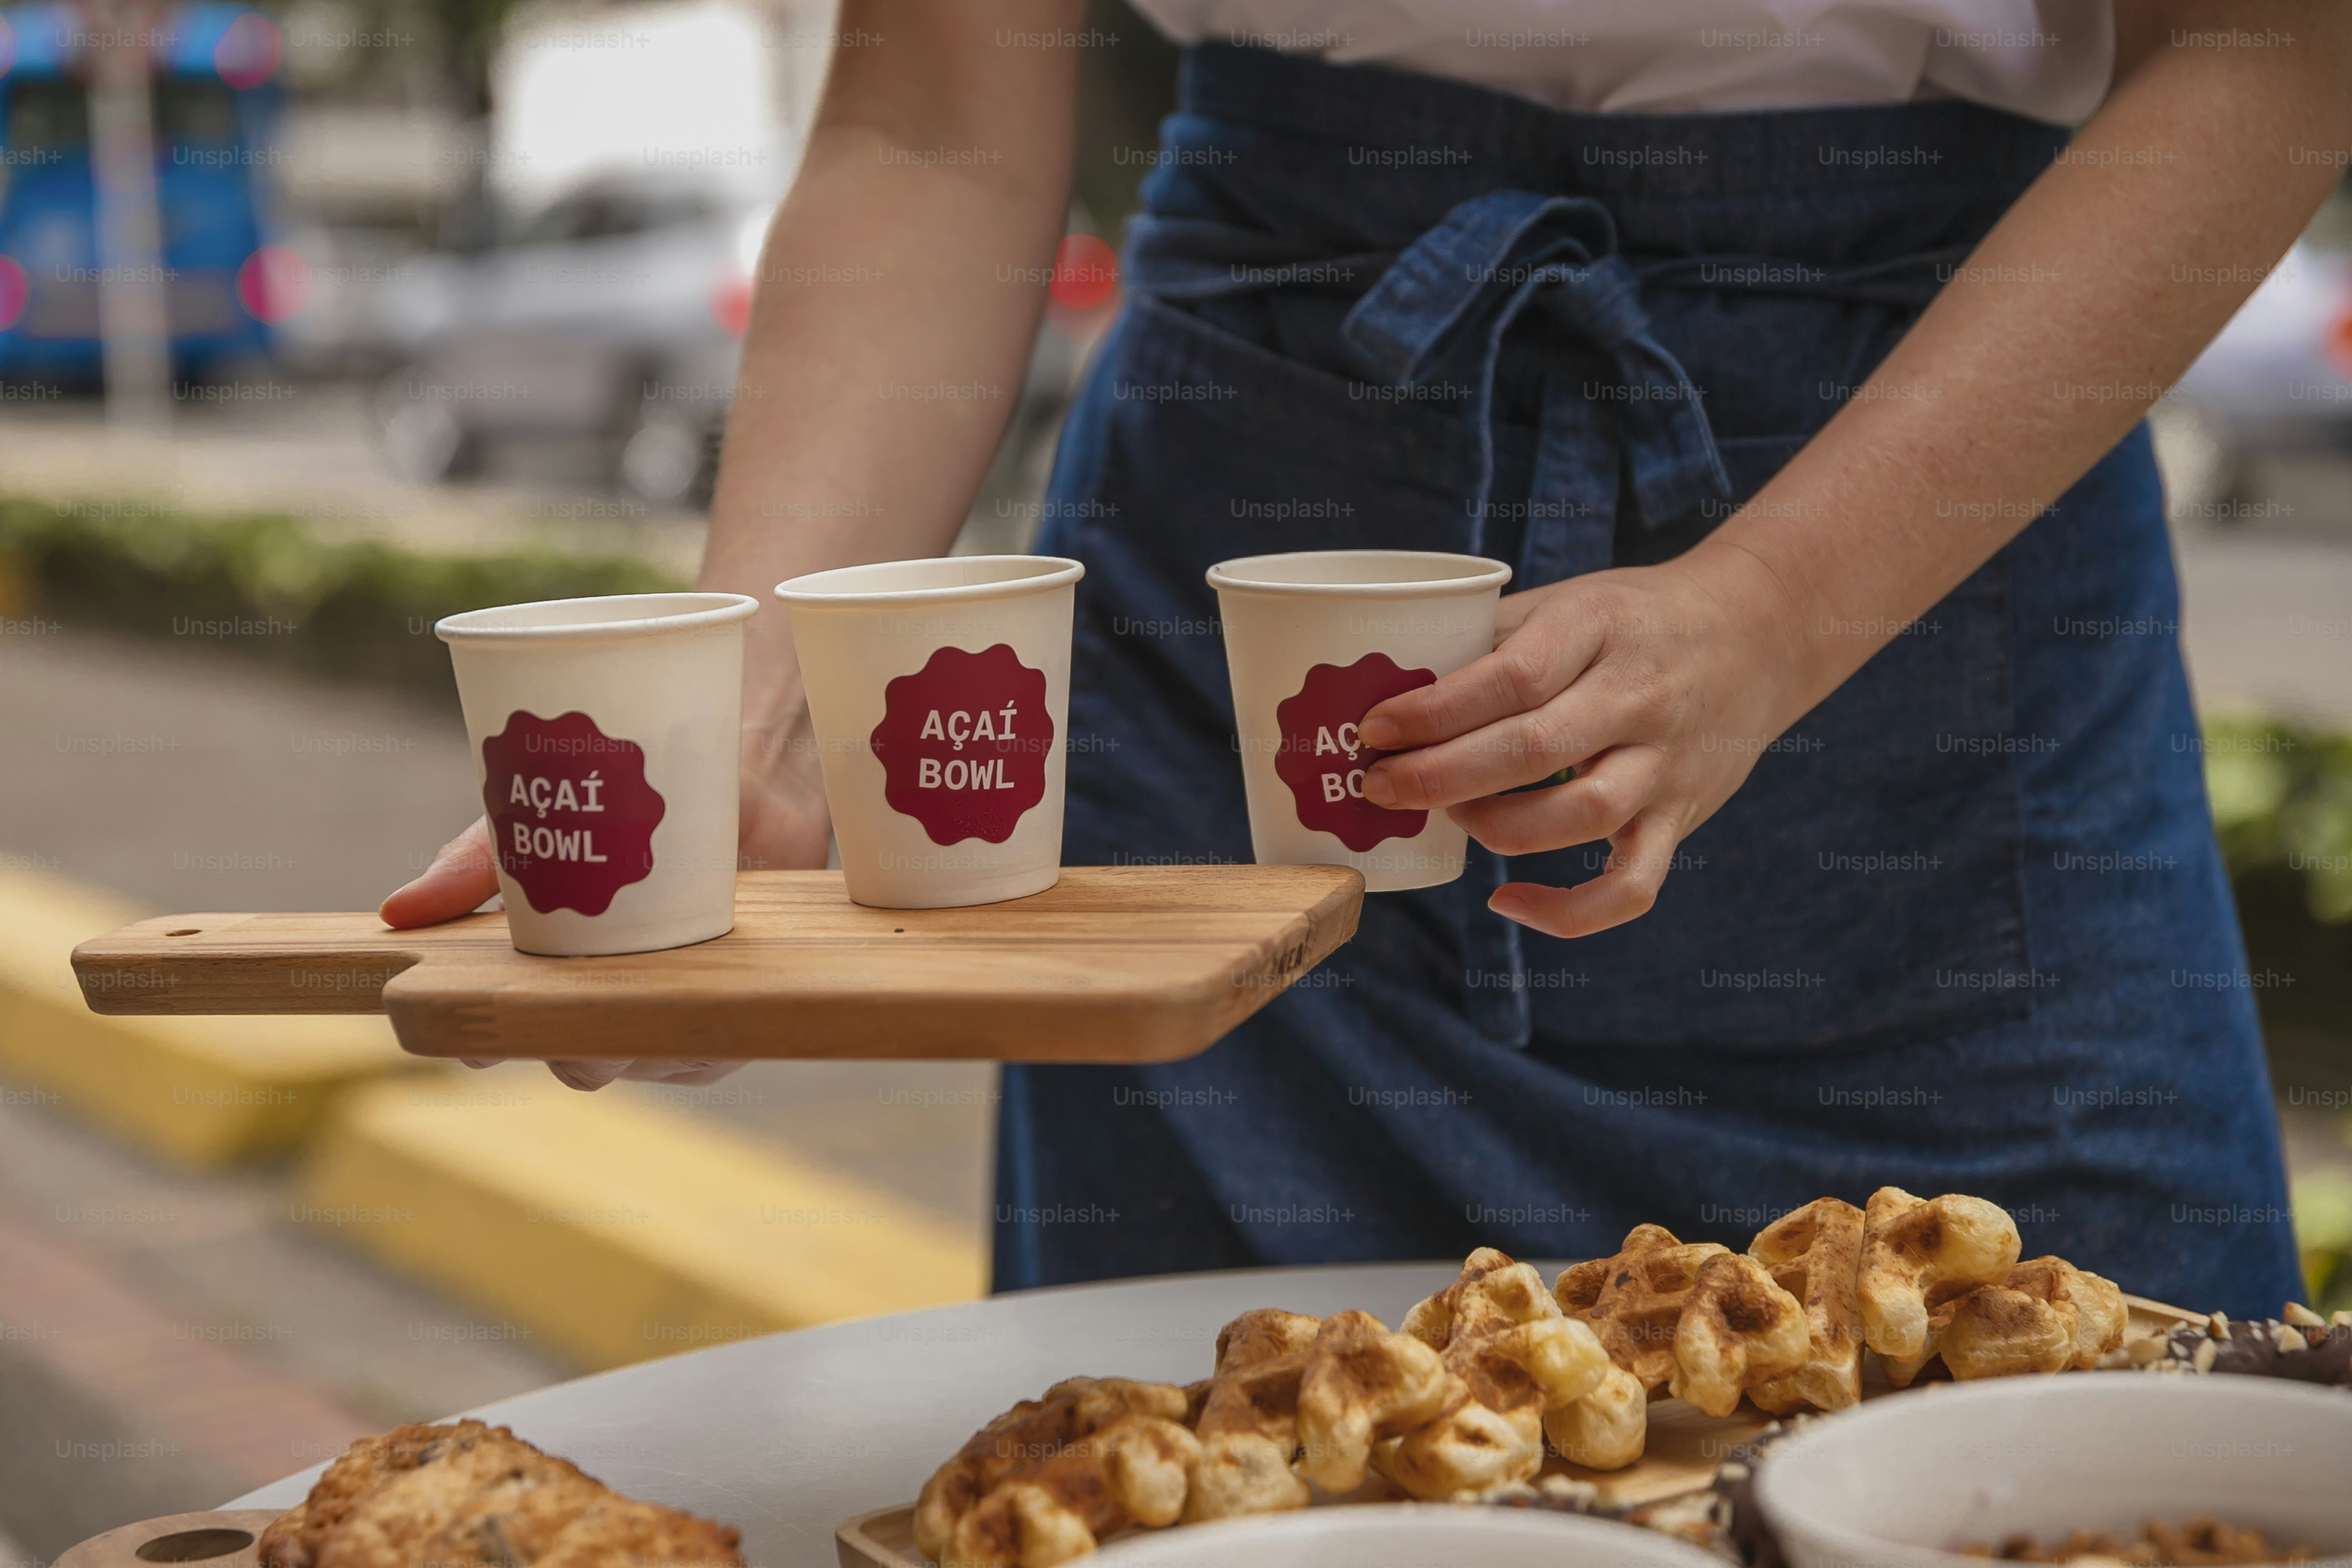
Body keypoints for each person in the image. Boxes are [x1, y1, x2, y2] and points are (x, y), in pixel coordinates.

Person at [383, 0, 2349, 1318]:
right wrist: (742, 738)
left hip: (1932, 554)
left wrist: (1772, 609)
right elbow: (931, 114)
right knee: (1194, 1451)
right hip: (1236, 589)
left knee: (2094, 1425)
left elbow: (2267, 46)